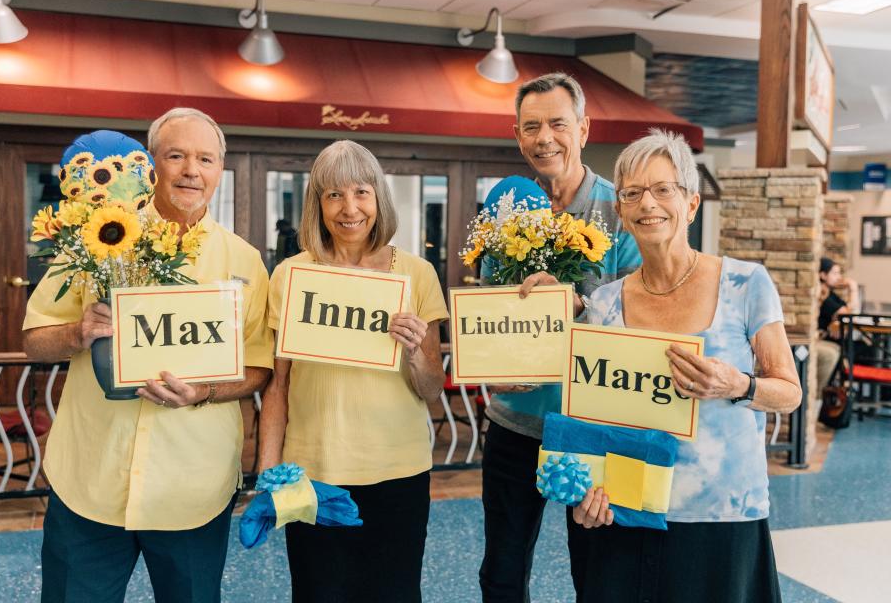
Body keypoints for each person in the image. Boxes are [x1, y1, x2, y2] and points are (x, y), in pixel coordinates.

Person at [23, 108, 274, 603]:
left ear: (220, 169)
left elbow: (259, 368)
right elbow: (35, 339)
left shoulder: (245, 261)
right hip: (90, 481)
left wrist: (203, 391)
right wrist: (78, 331)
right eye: (175, 155)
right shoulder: (95, 239)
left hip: (192, 488)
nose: (191, 171)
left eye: (205, 158)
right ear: (149, 164)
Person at [568, 129, 801, 602]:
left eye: (662, 189)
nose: (647, 203)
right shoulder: (604, 304)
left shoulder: (745, 283)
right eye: (632, 193)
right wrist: (585, 491)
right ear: (622, 214)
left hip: (721, 514)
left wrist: (736, 384)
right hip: (628, 508)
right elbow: (593, 417)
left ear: (691, 204)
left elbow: (788, 392)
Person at [258, 140, 448, 603]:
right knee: (318, 592)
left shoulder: (417, 274)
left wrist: (414, 353)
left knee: (395, 593)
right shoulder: (290, 275)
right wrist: (267, 473)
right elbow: (278, 386)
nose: (349, 209)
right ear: (317, 205)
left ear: (378, 198)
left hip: (398, 471)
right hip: (314, 469)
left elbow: (431, 389)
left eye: (361, 192)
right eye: (334, 195)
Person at [479, 72, 642, 602]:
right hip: (515, 422)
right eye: (531, 127)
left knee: (598, 573)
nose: (544, 137)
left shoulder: (624, 213)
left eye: (557, 123)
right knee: (502, 572)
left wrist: (580, 305)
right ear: (517, 135)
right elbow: (491, 311)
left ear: (584, 129)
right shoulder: (506, 210)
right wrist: (497, 366)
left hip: (593, 426)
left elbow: (642, 322)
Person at [812, 257, 859, 431]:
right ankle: (820, 404)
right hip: (826, 341)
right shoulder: (824, 296)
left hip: (835, 341)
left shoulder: (830, 294)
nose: (839, 277)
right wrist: (852, 288)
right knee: (857, 350)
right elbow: (849, 312)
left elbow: (849, 311)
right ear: (823, 275)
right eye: (835, 273)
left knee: (855, 349)